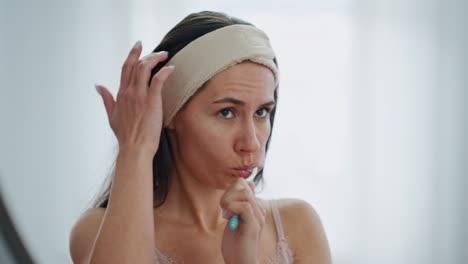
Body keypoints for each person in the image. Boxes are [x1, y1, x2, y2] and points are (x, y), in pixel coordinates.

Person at [69, 10, 332, 264]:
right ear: (170, 114)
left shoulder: (296, 226)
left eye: (262, 112)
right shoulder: (95, 231)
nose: (251, 143)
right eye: (226, 112)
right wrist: (135, 146)